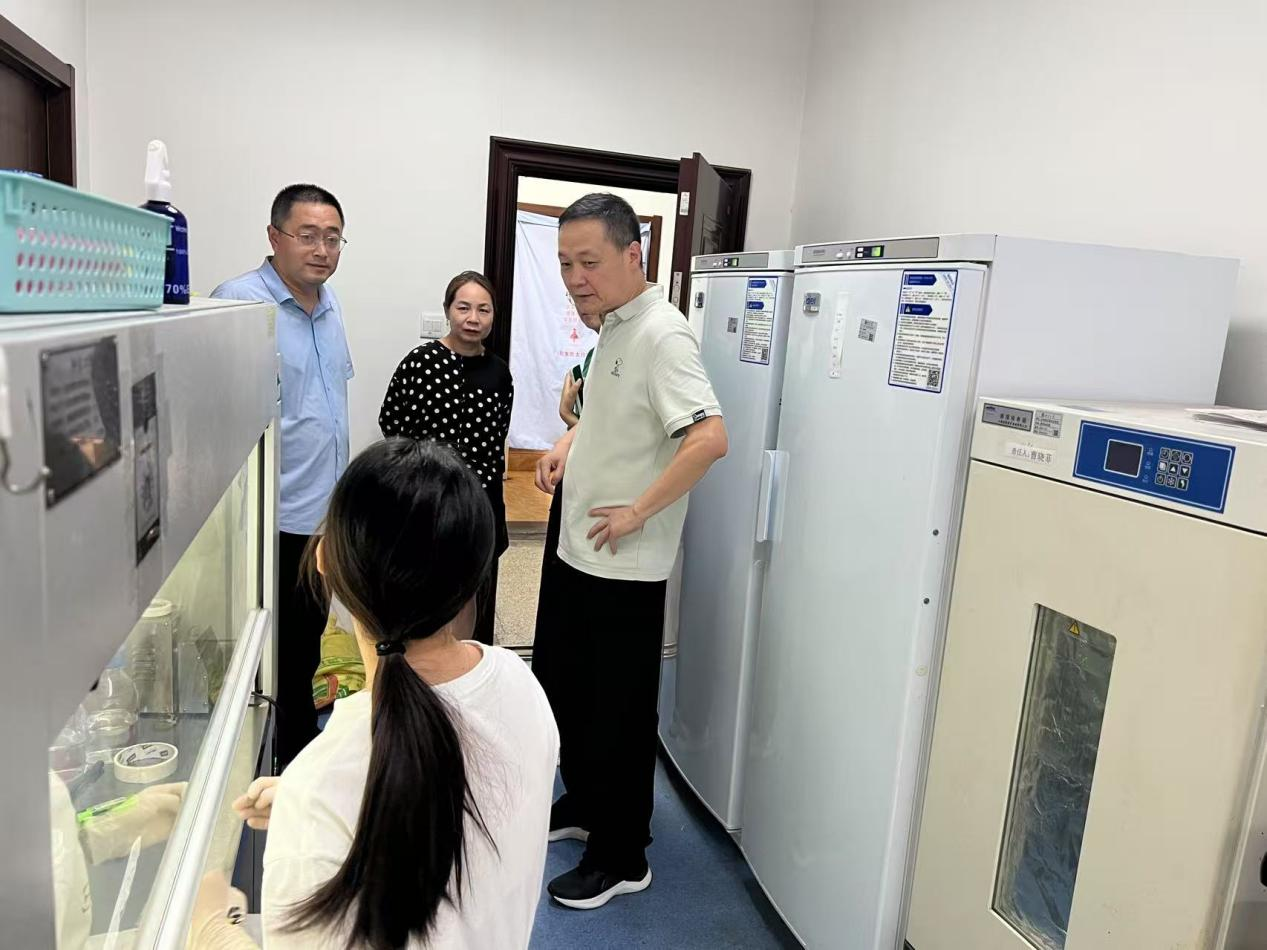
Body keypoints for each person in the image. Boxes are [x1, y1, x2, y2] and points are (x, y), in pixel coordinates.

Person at [188, 439, 559, 950]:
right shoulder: (521, 685)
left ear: (324, 559)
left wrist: (210, 927)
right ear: (476, 572)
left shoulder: (323, 788)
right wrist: (326, 802)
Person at [533, 193, 728, 909]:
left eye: (588, 262)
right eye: (565, 264)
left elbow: (708, 438)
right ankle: (587, 803)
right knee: (568, 687)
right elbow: (604, 414)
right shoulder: (613, 325)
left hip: (624, 559)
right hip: (577, 544)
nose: (575, 278)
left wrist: (639, 510)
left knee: (617, 709)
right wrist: (567, 442)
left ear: (632, 254)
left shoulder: (662, 334)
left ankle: (622, 854)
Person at [211, 184, 354, 770]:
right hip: (269, 520)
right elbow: (217, 418)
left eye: (333, 238)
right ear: (275, 237)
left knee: (304, 653)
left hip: (322, 518)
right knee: (265, 660)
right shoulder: (240, 303)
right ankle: (270, 772)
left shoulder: (330, 305)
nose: (322, 249)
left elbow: (327, 407)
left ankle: (292, 767)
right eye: (308, 235)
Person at [378, 272, 513, 646]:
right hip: (428, 498)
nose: (473, 318)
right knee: (424, 587)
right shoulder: (421, 362)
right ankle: (419, 667)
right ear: (448, 310)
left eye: (483, 310)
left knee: (470, 589)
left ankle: (461, 662)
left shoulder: (499, 373)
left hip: (480, 501)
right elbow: (392, 422)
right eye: (464, 307)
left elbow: (496, 438)